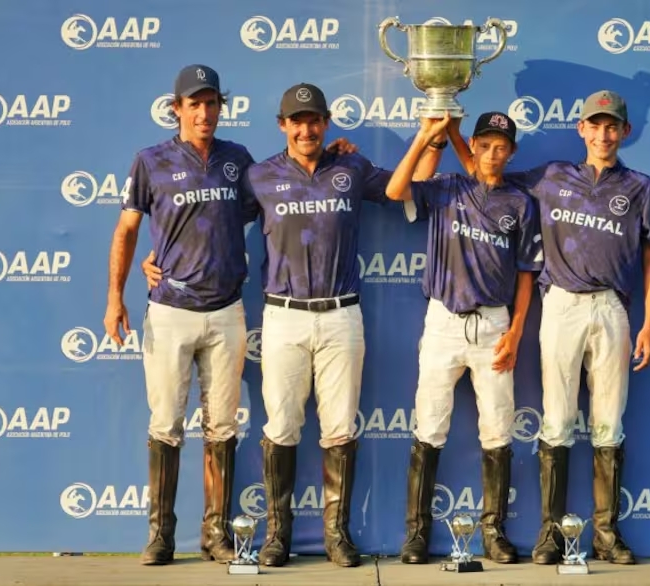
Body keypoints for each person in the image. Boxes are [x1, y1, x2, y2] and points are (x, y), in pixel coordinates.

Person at [142, 82, 442, 568]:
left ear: (326, 124)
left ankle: (337, 535)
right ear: (282, 126)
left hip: (342, 315)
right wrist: (158, 256)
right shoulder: (257, 175)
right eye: (297, 121)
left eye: (315, 120)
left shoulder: (351, 166)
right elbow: (208, 216)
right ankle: (277, 535)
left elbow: (403, 188)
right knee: (281, 427)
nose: (307, 129)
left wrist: (435, 139)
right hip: (282, 317)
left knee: (340, 429)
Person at [449, 90, 650, 565]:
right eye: (595, 125)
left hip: (612, 309)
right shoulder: (550, 177)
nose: (604, 134)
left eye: (613, 127)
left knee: (609, 422)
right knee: (557, 420)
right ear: (581, 129)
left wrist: (648, 322)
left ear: (625, 132)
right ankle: (552, 534)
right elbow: (482, 171)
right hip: (561, 306)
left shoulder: (640, 187)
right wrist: (446, 131)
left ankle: (606, 534)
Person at [103, 64, 253, 566]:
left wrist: (331, 154)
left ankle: (215, 533)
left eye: (212, 103)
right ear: (178, 109)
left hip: (227, 310)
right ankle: (161, 535)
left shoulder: (238, 159)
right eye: (195, 104)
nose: (205, 112)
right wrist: (115, 298)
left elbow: (282, 195)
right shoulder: (151, 161)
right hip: (170, 311)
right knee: (166, 423)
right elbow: (126, 231)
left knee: (222, 427)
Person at [385, 112, 544, 565]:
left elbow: (527, 275)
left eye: (502, 147)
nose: (494, 154)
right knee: (429, 426)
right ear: (473, 145)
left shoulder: (520, 203)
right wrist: (427, 135)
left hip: (494, 325)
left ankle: (494, 533)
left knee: (497, 430)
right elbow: (397, 190)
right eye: (486, 144)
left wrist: (515, 332)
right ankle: (416, 534)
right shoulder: (448, 186)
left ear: (511, 152)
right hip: (443, 322)